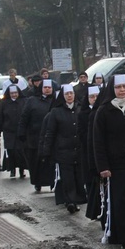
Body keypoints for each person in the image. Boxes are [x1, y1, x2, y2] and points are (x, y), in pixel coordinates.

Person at [94, 74, 125, 249]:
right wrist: (103, 166)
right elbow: (98, 141)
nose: (122, 90)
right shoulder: (104, 111)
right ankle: (124, 238)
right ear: (112, 89)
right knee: (120, 202)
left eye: (124, 86)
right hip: (115, 166)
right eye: (118, 87)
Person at [41, 85, 87, 214]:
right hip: (63, 151)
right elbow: (50, 132)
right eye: (67, 94)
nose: (69, 96)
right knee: (68, 179)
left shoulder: (80, 109)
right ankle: (70, 201)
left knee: (78, 177)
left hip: (78, 150)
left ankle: (77, 199)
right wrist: (46, 150)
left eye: (71, 93)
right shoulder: (56, 112)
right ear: (63, 96)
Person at [18, 79, 55, 192]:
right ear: (41, 88)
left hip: (51, 137)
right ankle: (37, 182)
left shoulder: (56, 101)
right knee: (36, 162)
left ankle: (52, 182)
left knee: (50, 162)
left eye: (49, 87)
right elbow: (24, 118)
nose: (47, 89)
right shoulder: (32, 101)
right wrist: (21, 133)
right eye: (45, 87)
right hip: (35, 136)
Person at [0, 85, 28, 178]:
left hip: (21, 131)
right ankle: (12, 169)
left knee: (21, 151)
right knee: (11, 151)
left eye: (15, 93)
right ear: (8, 94)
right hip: (9, 132)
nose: (14, 95)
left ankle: (22, 170)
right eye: (12, 93)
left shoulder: (24, 101)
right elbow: (0, 117)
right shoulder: (4, 103)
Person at [82, 86, 103, 221]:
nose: (94, 99)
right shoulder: (83, 113)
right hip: (87, 151)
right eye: (91, 97)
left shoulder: (102, 112)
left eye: (97, 96)